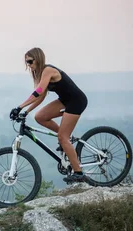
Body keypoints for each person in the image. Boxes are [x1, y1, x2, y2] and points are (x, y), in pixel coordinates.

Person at [9, 47, 90, 184]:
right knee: (40, 116)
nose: (29, 65)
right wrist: (26, 112)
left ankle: (79, 173)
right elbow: (40, 97)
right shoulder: (39, 74)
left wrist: (19, 107)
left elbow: (38, 91)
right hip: (65, 101)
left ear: (38, 59)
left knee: (62, 137)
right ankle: (66, 139)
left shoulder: (48, 70)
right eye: (26, 63)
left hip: (77, 101)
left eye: (30, 61)